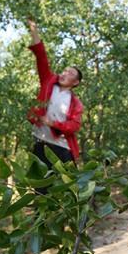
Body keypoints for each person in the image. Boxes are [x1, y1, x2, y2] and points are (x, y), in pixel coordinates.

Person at [26, 19, 84, 172]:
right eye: (64, 70)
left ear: (76, 82)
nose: (65, 73)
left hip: (62, 149)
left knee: (65, 191)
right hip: (41, 144)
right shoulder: (48, 82)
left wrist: (53, 124)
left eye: (70, 73)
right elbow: (41, 56)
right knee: (39, 190)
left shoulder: (75, 103)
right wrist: (34, 30)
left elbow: (74, 126)